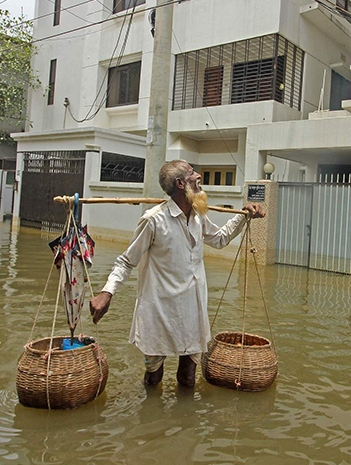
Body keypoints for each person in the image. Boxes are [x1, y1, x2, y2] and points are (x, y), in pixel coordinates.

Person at [89, 160, 265, 387]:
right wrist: (107, 292)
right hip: (159, 310)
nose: (199, 175)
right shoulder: (153, 220)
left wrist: (243, 215)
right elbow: (126, 261)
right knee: (154, 377)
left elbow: (220, 239)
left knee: (188, 377)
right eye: (192, 173)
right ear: (181, 183)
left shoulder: (199, 215)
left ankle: (185, 421)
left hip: (192, 308)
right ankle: (151, 418)